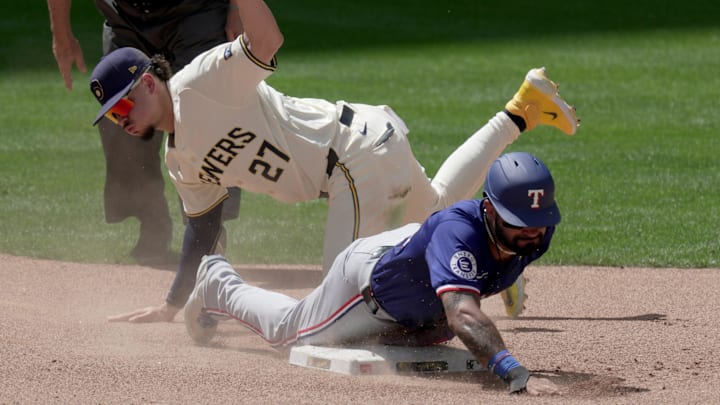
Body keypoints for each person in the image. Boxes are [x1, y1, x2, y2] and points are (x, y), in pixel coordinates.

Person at [89, 0, 579, 323]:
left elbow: (266, 43)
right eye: (113, 118)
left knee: (337, 308)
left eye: (124, 106)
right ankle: (521, 110)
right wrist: (172, 304)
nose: (122, 121)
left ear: (149, 81)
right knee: (440, 206)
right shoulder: (180, 161)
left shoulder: (199, 82)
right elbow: (203, 227)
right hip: (365, 147)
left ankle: (477, 277)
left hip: (351, 160)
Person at [184, 152, 563, 395]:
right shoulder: (459, 231)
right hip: (366, 283)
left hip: (421, 261)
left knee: (434, 329)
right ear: (490, 210)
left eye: (539, 221)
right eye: (519, 223)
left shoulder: (534, 232)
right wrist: (512, 370)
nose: (533, 231)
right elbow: (463, 313)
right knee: (289, 333)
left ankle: (455, 288)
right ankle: (218, 282)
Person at [47, 0, 243, 266]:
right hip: (125, 16)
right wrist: (61, 33)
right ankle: (151, 219)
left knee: (201, 110)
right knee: (122, 114)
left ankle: (207, 231)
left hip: (197, 10)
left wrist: (239, 7)